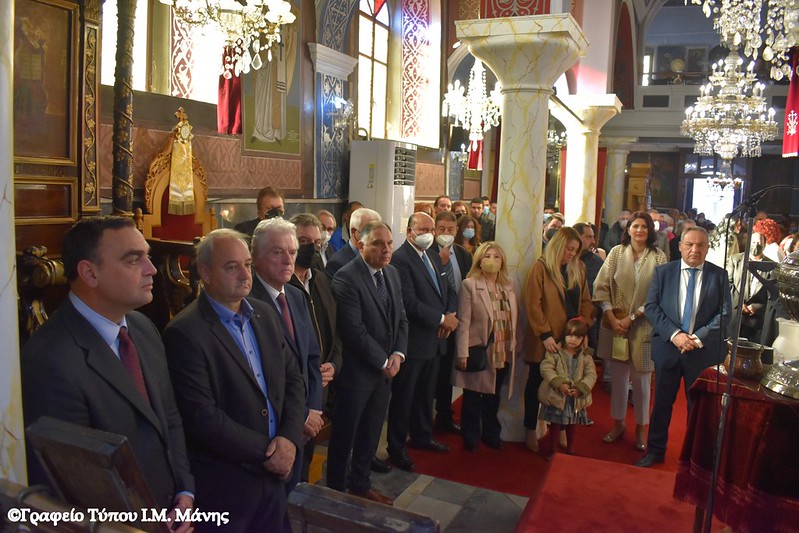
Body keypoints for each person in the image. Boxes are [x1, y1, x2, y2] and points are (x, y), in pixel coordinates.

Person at [21, 217, 194, 530]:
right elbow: (74, 483)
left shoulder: (142, 328)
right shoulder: (50, 360)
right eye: (133, 259)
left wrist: (184, 492)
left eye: (147, 256)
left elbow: (169, 418)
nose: (152, 269)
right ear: (90, 273)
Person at [163, 229, 306, 530]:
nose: (245, 274)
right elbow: (203, 417)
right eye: (232, 267)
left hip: (276, 478)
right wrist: (270, 452)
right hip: (229, 485)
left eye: (247, 265)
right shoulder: (185, 332)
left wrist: (289, 438)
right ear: (205, 272)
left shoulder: (265, 314)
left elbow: (293, 379)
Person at [327, 221, 408, 505]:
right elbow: (353, 330)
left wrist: (398, 354)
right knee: (345, 437)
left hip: (384, 372)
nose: (386, 249)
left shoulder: (392, 273)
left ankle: (361, 484)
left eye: (389, 243)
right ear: (361, 246)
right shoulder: (346, 277)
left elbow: (401, 318)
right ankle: (335, 493)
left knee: (371, 432)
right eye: (378, 243)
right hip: (356, 374)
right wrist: (383, 360)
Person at [637, 226, 731, 467]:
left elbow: (724, 314)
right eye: (689, 244)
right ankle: (655, 451)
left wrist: (696, 338)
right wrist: (676, 335)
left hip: (702, 352)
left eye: (700, 245)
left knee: (698, 407)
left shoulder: (719, 276)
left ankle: (695, 458)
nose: (694, 249)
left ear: (707, 249)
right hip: (668, 348)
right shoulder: (663, 272)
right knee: (661, 403)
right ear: (680, 246)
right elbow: (651, 307)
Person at [249, 218, 323, 492]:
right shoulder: (247, 303)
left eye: (292, 252)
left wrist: (314, 407)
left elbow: (311, 357)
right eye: (277, 252)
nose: (288, 259)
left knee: (299, 490)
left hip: (307, 419)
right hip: (275, 427)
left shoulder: (295, 295)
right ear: (255, 257)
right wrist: (301, 416)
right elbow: (259, 374)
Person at [387, 213, 459, 469]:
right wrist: (441, 319)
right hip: (414, 341)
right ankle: (396, 447)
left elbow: (447, 288)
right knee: (404, 398)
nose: (429, 234)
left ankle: (422, 436)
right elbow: (408, 302)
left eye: (431, 229)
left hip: (435, 339)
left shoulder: (432, 255)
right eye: (423, 229)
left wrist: (449, 314)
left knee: (426, 395)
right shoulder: (400, 258)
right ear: (409, 232)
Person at [593, 212, 667, 452]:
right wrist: (610, 316)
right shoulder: (616, 252)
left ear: (650, 230)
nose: (639, 230)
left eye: (644, 227)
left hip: (643, 324)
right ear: (628, 229)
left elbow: (659, 293)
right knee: (618, 379)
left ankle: (641, 428)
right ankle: (618, 423)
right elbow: (601, 286)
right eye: (635, 226)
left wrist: (633, 317)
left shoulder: (658, 256)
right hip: (615, 323)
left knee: (642, 381)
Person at [524, 227, 594, 453]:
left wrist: (582, 330)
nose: (571, 254)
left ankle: (562, 429)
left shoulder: (578, 268)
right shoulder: (541, 267)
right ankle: (530, 429)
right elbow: (533, 304)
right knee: (536, 382)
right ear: (558, 246)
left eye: (575, 250)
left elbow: (586, 301)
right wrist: (544, 334)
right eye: (568, 249)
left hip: (570, 338)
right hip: (545, 337)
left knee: (568, 384)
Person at [288, 213, 343, 479]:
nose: (312, 247)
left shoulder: (321, 279)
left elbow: (335, 329)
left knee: (308, 454)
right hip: (296, 388)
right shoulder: (283, 284)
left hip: (321, 384)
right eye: (303, 241)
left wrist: (334, 363)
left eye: (317, 242)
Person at [453, 242, 518, 452]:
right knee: (472, 396)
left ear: (502, 261)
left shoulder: (508, 286)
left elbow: (513, 318)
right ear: (479, 261)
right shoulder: (470, 285)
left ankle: (491, 433)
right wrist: (462, 352)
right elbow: (463, 321)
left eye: (496, 256)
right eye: (487, 256)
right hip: (479, 349)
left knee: (494, 395)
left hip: (502, 348)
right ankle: (470, 436)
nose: (492, 260)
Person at [432, 211, 473, 433]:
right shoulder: (429, 252)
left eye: (450, 229)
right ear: (435, 230)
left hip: (458, 319)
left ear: (456, 231)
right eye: (442, 229)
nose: (446, 233)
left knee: (449, 371)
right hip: (436, 322)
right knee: (434, 374)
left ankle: (444, 415)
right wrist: (442, 317)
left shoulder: (463, 254)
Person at [538, 318, 596, 460]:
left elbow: (591, 374)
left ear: (583, 339)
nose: (573, 340)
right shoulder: (555, 352)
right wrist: (559, 383)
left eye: (578, 337)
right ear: (564, 335)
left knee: (572, 424)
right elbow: (546, 368)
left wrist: (581, 388)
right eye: (570, 335)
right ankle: (553, 450)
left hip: (574, 398)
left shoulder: (586, 356)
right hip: (557, 395)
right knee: (555, 424)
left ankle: (571, 449)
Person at [726, 232, 774, 343]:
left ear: (764, 245)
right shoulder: (735, 259)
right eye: (753, 242)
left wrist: (757, 306)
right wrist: (739, 303)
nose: (756, 245)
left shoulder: (771, 266)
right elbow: (728, 284)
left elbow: (772, 293)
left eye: (759, 243)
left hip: (756, 322)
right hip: (735, 317)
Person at [325, 207, 381, 277]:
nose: (375, 236)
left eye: (378, 231)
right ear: (354, 232)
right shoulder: (337, 263)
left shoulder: (381, 259)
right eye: (369, 231)